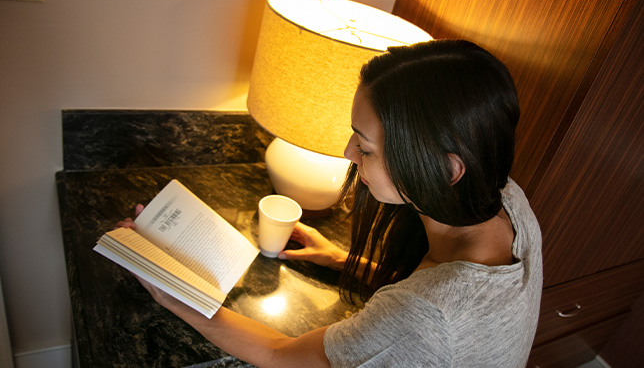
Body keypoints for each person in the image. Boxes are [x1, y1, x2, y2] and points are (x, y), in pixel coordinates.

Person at [118, 39, 542, 367]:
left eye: (366, 146)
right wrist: (341, 260)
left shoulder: (425, 315)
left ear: (447, 170)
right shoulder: (509, 202)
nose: (347, 153)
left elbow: (278, 355)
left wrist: (174, 296)